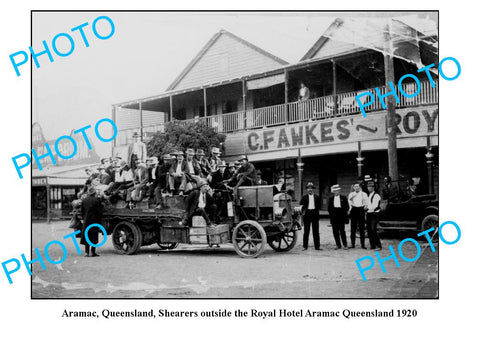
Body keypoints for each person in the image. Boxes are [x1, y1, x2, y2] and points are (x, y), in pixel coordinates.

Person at [80, 186, 103, 257]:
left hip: (86, 220)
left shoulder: (84, 200)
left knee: (87, 235)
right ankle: (93, 252)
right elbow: (99, 211)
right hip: (94, 220)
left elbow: (82, 212)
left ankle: (87, 252)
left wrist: (84, 218)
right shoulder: (97, 200)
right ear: (94, 193)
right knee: (94, 236)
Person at [299, 182, 321, 250]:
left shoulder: (317, 197)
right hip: (307, 214)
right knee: (306, 231)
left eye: (311, 188)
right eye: (308, 188)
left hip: (315, 214)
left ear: (313, 189)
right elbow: (301, 206)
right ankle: (305, 246)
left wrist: (316, 211)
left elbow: (319, 206)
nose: (310, 189)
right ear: (307, 189)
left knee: (316, 231)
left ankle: (317, 247)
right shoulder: (304, 197)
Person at [328, 184, 349, 250]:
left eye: (337, 190)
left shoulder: (344, 197)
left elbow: (347, 207)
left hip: (341, 215)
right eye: (335, 191)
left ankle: (345, 245)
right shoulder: (331, 198)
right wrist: (332, 214)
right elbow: (329, 208)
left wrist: (343, 213)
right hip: (334, 215)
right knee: (335, 231)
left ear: (339, 191)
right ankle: (338, 245)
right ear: (333, 192)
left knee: (342, 231)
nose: (336, 192)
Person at [348, 183, 368, 249]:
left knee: (361, 228)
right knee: (353, 228)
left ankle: (363, 244)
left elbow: (366, 201)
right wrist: (350, 209)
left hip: (360, 210)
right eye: (355, 186)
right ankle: (352, 244)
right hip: (354, 210)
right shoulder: (351, 194)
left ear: (359, 187)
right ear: (353, 187)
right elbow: (349, 202)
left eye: (357, 186)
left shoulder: (363, 194)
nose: (356, 188)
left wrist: (365, 207)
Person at [366, 181, 382, 250]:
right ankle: (372, 245)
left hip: (374, 214)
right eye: (368, 187)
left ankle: (378, 245)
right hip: (369, 214)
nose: (369, 188)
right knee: (369, 230)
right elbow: (368, 204)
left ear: (373, 187)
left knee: (373, 229)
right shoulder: (369, 195)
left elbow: (374, 206)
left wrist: (367, 208)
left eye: (370, 187)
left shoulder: (376, 195)